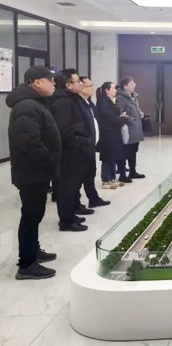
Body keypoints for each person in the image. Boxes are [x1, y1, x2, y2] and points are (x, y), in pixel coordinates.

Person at [6, 66, 61, 279]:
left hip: (36, 172)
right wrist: (50, 162)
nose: (54, 84)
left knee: (35, 214)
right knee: (30, 216)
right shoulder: (27, 106)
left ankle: (33, 251)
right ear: (38, 82)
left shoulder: (34, 103)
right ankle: (27, 264)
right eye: (50, 80)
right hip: (32, 172)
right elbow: (31, 141)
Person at [49, 69, 90, 232]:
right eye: (77, 81)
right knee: (66, 186)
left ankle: (71, 214)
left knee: (73, 185)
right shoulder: (63, 102)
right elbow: (64, 129)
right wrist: (75, 145)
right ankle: (66, 221)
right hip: (68, 152)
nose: (80, 83)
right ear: (68, 85)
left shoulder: (71, 99)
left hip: (74, 149)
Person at [76, 76, 111, 208]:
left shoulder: (89, 103)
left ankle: (93, 198)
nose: (92, 88)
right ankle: (76, 203)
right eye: (89, 85)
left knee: (90, 173)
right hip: (82, 145)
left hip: (91, 145)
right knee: (80, 176)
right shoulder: (77, 104)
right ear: (81, 87)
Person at [96, 81, 130, 189]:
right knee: (107, 157)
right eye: (113, 88)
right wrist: (122, 119)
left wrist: (120, 117)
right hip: (107, 134)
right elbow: (110, 118)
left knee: (113, 156)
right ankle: (106, 180)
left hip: (114, 133)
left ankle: (112, 178)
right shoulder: (103, 102)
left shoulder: (110, 101)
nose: (116, 90)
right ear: (107, 90)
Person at [116, 77, 145, 183]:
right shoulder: (120, 98)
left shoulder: (133, 96)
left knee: (133, 150)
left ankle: (133, 171)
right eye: (131, 84)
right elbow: (120, 113)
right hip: (128, 128)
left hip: (135, 127)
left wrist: (140, 112)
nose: (134, 85)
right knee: (125, 151)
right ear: (125, 86)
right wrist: (131, 119)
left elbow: (135, 108)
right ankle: (122, 174)